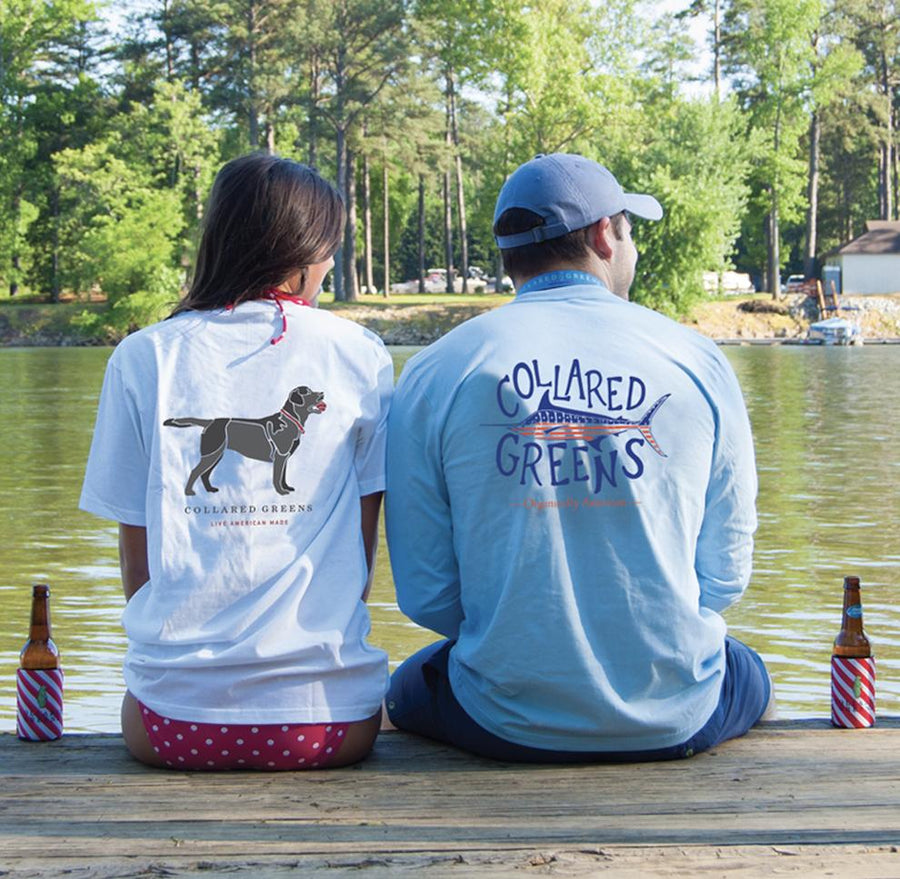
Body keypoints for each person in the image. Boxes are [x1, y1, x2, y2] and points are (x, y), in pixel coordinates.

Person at [384, 153, 772, 762]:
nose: (634, 247)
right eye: (629, 229)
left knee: (405, 688)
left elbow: (427, 595)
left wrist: (527, 643)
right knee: (748, 669)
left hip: (502, 722)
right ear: (601, 235)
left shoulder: (438, 368)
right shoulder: (697, 359)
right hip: (678, 716)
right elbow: (724, 577)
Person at [80, 154, 392, 770]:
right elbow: (360, 561)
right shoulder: (363, 354)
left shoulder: (144, 356)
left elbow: (136, 555)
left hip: (171, 727)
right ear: (306, 257)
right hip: (330, 729)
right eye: (329, 250)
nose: (330, 265)